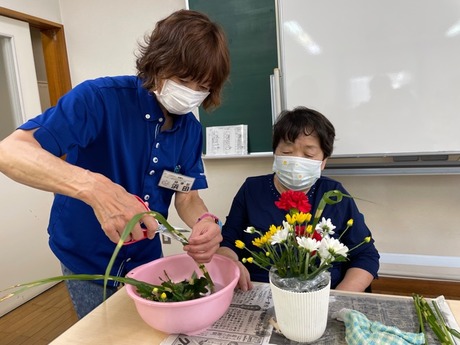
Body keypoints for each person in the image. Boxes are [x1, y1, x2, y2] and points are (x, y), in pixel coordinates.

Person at [0, 9, 230, 318]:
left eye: (201, 87)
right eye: (183, 79)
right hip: (88, 256)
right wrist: (95, 188)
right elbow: (11, 151)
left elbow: (187, 194)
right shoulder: (100, 99)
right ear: (157, 64)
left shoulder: (190, 130)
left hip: (146, 256)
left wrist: (205, 222)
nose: (190, 94)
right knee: (103, 330)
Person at [217, 106, 380, 292]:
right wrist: (230, 262)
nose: (296, 160)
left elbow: (365, 254)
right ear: (275, 154)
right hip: (261, 291)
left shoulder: (333, 194)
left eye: (308, 155)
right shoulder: (252, 189)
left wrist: (338, 297)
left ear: (323, 162)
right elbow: (227, 241)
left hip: (323, 295)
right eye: (287, 152)